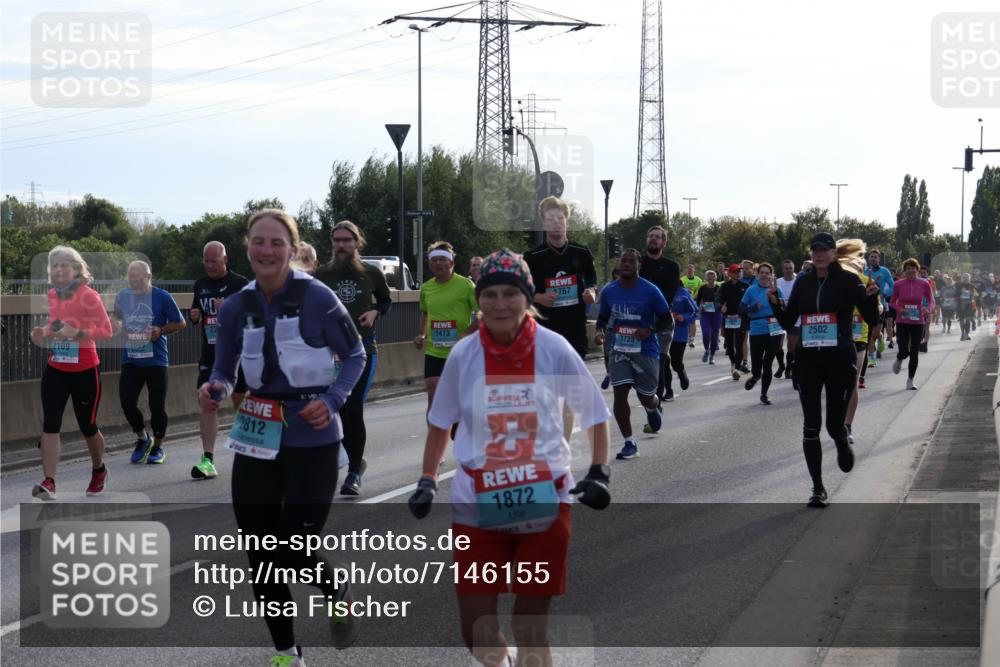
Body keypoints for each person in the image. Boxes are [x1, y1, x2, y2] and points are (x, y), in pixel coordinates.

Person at [407, 249, 611, 667]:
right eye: (490, 294)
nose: (500, 304)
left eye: (510, 294)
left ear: (527, 297)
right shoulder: (464, 354)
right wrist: (428, 478)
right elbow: (440, 422)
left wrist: (598, 471)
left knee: (529, 625)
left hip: (544, 499)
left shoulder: (554, 349)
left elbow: (594, 414)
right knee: (476, 630)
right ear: (479, 300)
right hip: (477, 502)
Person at [200, 209, 366, 666]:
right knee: (260, 553)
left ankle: (336, 589)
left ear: (292, 249)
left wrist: (333, 400)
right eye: (258, 241)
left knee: (293, 548)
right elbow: (224, 367)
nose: (267, 250)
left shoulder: (319, 298)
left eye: (277, 242)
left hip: (313, 440)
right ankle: (287, 653)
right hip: (258, 436)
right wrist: (215, 388)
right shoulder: (235, 306)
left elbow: (355, 355)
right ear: (247, 247)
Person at [776, 234, 879, 508]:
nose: (818, 254)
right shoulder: (803, 282)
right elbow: (788, 321)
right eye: (814, 250)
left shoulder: (848, 280)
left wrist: (872, 298)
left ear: (834, 253)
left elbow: (871, 318)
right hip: (808, 360)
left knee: (834, 425)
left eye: (823, 250)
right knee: (811, 425)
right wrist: (775, 303)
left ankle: (842, 441)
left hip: (839, 360)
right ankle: (818, 487)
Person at [30, 246, 114, 500]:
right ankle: (49, 481)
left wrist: (77, 333)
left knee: (87, 426)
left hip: (85, 370)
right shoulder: (53, 294)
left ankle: (99, 469)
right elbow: (56, 323)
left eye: (64, 265)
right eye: (54, 265)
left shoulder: (89, 296)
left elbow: (107, 331)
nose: (58, 270)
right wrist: (43, 332)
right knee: (50, 423)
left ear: (76, 269)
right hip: (56, 368)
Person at [315, 220, 392, 496]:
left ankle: (354, 473)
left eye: (347, 240)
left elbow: (385, 300)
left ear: (357, 242)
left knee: (352, 408)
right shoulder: (321, 275)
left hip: (362, 352)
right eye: (337, 240)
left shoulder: (371, 273)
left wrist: (375, 312)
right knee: (331, 410)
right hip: (328, 355)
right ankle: (351, 459)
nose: (341, 245)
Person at [525, 196, 598, 437]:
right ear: (544, 224)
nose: (556, 223)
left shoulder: (581, 252)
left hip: (575, 329)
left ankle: (563, 445)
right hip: (545, 330)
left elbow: (592, 281)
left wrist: (591, 293)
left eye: (560, 218)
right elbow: (521, 290)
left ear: (567, 221)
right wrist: (538, 297)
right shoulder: (533, 257)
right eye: (550, 219)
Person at [595, 249, 670, 459]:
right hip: (620, 349)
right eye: (623, 261)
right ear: (619, 265)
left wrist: (649, 330)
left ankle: (653, 407)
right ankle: (629, 442)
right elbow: (602, 318)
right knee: (620, 393)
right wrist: (600, 332)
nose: (626, 264)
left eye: (631, 261)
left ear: (639, 265)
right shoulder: (609, 291)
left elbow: (667, 319)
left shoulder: (651, 291)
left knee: (645, 397)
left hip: (646, 349)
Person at [112, 260, 186, 465]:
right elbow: (116, 318)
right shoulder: (123, 296)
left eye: (138, 277)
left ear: (149, 277)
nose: (134, 281)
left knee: (156, 406)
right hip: (131, 359)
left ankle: (158, 446)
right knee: (127, 402)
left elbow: (181, 322)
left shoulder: (162, 297)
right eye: (131, 277)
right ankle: (143, 438)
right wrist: (116, 324)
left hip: (156, 361)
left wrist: (161, 330)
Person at [189, 241, 249, 480]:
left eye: (214, 261)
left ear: (225, 259)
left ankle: (250, 452)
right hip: (211, 354)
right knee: (207, 402)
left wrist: (231, 309)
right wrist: (194, 315)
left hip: (237, 354)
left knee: (241, 403)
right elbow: (197, 314)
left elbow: (253, 318)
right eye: (206, 261)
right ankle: (207, 460)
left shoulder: (240, 284)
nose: (209, 265)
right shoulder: (200, 285)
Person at [638, 225, 680, 402]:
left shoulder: (672, 266)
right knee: (645, 363)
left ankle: (657, 403)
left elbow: (669, 295)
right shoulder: (638, 263)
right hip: (639, 319)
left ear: (664, 242)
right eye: (650, 236)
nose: (653, 239)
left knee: (659, 361)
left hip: (662, 320)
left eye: (657, 237)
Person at [740, 262, 785, 405]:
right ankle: (755, 376)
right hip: (757, 330)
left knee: (768, 363)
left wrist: (776, 300)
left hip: (774, 329)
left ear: (771, 275)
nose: (764, 275)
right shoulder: (751, 290)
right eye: (762, 273)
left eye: (767, 273)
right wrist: (753, 308)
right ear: (757, 274)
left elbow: (784, 308)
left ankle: (764, 394)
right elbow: (741, 309)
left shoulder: (776, 290)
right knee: (756, 367)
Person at [889, 258, 935, 390]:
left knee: (914, 352)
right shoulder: (898, 284)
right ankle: (899, 358)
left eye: (913, 268)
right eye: (908, 268)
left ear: (917, 270)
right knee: (904, 351)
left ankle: (910, 380)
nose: (911, 270)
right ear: (904, 271)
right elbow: (892, 302)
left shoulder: (924, 284)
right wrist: (900, 309)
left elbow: (931, 301)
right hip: (902, 321)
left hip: (917, 321)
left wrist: (927, 309)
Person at [660, 281, 698, 400]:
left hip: (679, 333)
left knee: (676, 363)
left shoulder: (683, 292)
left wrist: (684, 317)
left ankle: (681, 371)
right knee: (663, 363)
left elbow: (693, 310)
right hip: (663, 333)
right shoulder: (658, 290)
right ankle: (668, 391)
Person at [719, 264, 749, 381]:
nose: (738, 274)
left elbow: (749, 302)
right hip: (728, 318)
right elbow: (718, 300)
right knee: (730, 345)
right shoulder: (724, 286)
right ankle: (733, 363)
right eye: (735, 272)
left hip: (741, 318)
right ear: (730, 274)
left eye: (739, 272)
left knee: (740, 344)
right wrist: (721, 307)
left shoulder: (745, 286)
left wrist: (747, 310)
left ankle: (736, 368)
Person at [865, 249, 894, 354]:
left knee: (876, 333)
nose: (873, 258)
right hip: (867, 304)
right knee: (869, 331)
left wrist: (884, 294)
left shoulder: (884, 271)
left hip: (880, 304)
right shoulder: (865, 271)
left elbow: (892, 286)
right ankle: (871, 354)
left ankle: (880, 337)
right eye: (871, 257)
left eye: (875, 257)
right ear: (868, 258)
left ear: (879, 259)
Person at [775, 259, 798, 378]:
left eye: (790, 268)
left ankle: (789, 368)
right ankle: (781, 366)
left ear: (793, 269)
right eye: (786, 268)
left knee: (791, 345)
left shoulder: (798, 282)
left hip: (795, 318)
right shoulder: (777, 282)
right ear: (782, 269)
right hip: (779, 318)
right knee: (777, 345)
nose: (788, 270)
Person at [696, 270, 722, 364]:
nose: (710, 280)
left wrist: (720, 305)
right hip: (705, 314)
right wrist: (700, 306)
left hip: (716, 314)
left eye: (712, 278)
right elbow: (698, 300)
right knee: (706, 334)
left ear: (715, 278)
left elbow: (723, 300)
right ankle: (707, 350)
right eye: (709, 278)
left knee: (714, 335)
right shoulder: (702, 288)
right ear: (706, 278)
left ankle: (712, 356)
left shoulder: (719, 288)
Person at [680, 264, 704, 348]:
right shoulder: (682, 279)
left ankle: (692, 338)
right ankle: (685, 336)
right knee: (684, 320)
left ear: (694, 270)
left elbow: (701, 291)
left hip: (694, 301)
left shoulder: (698, 280)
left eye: (691, 269)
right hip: (684, 302)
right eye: (688, 269)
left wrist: (697, 299)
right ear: (686, 270)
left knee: (692, 320)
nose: (690, 271)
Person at [956, 273, 978, 341]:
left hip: (969, 305)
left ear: (969, 278)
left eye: (967, 277)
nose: (965, 279)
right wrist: (960, 293)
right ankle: (962, 334)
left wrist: (972, 294)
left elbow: (976, 295)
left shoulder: (972, 286)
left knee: (968, 319)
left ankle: (967, 334)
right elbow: (955, 294)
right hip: (961, 304)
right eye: (964, 277)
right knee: (961, 320)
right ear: (962, 278)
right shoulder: (958, 285)